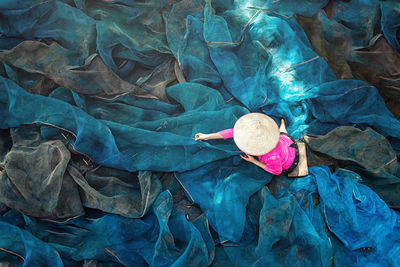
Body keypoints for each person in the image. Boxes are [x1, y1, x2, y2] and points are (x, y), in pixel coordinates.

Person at [195, 113, 298, 176]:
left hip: (290, 160)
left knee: (283, 137)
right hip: (284, 142)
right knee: (283, 135)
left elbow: (277, 171)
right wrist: (207, 136)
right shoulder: (263, 131)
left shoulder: (271, 157)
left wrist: (254, 161)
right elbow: (231, 132)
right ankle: (282, 129)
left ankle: (283, 130)